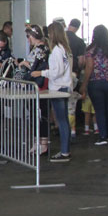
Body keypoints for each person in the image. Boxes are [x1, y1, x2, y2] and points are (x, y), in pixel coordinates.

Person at [33, 22, 74, 162]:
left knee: (61, 120)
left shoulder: (57, 49)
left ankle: (65, 152)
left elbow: (57, 71)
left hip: (58, 87)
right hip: (65, 85)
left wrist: (41, 73)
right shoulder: (65, 49)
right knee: (64, 121)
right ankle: (65, 150)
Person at [80, 24, 108, 146]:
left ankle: (103, 136)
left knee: (99, 109)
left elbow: (89, 67)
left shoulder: (90, 50)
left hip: (96, 83)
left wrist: (84, 84)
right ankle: (106, 133)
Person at [19, 25, 50, 154]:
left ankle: (43, 142)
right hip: (32, 84)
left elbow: (36, 66)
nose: (27, 39)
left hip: (38, 84)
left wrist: (25, 63)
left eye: (28, 36)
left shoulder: (41, 49)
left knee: (40, 114)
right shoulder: (37, 49)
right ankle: (37, 141)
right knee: (34, 114)